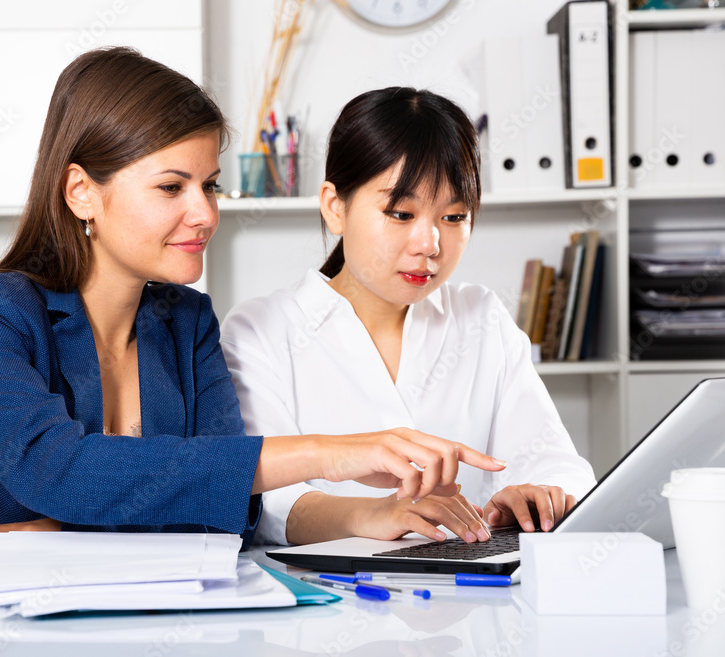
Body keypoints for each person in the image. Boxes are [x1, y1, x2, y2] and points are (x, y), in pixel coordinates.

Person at [0, 51, 505, 576]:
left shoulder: (186, 321)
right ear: (82, 191)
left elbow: (222, 518)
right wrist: (330, 453)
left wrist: (11, 537)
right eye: (172, 186)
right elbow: (61, 469)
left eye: (210, 184)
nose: (205, 213)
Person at [220, 87, 597, 547]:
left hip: (476, 599)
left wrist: (538, 495)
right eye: (401, 213)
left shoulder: (480, 316)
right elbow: (264, 500)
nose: (430, 243)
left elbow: (554, 460)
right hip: (328, 602)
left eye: (455, 216)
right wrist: (371, 514)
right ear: (334, 207)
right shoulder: (260, 330)